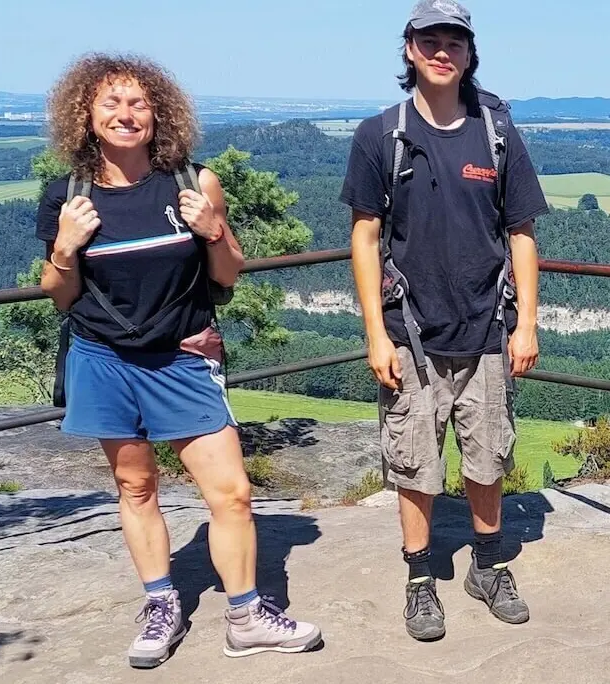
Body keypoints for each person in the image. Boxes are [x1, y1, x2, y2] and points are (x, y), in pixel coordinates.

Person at [36, 53, 321, 668]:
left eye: (138, 102)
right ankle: (161, 603)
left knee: (231, 493)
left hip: (183, 357)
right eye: (110, 103)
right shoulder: (67, 195)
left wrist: (214, 228)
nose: (125, 114)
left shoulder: (192, 182)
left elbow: (228, 277)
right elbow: (60, 293)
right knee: (135, 485)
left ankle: (245, 615)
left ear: (157, 113)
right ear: (85, 116)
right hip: (102, 357)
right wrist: (64, 246)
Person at [341, 0, 547, 642]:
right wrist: (375, 332)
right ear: (409, 49)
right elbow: (365, 236)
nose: (441, 51)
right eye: (429, 40)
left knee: (488, 458)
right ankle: (420, 579)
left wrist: (527, 324)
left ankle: (489, 566)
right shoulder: (381, 134)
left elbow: (521, 233)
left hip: (487, 326)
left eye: (453, 42)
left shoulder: (497, 132)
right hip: (411, 333)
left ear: (468, 52)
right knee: (414, 461)